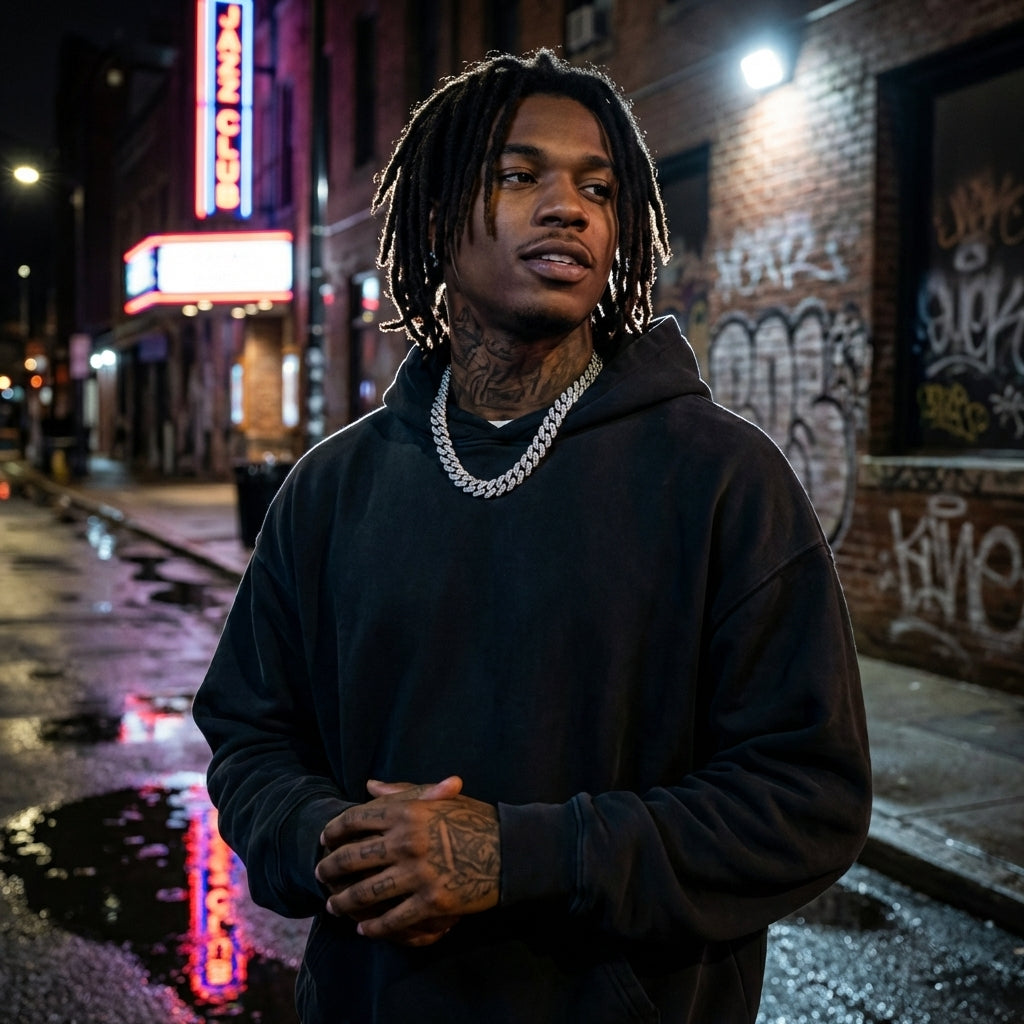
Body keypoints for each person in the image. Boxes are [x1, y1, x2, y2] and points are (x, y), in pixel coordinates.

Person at [193, 48, 871, 1024]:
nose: (570, 206)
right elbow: (252, 734)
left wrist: (518, 858)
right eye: (519, 175)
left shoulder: (722, 479)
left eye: (597, 185)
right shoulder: (332, 490)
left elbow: (806, 795)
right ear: (432, 216)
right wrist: (335, 842)